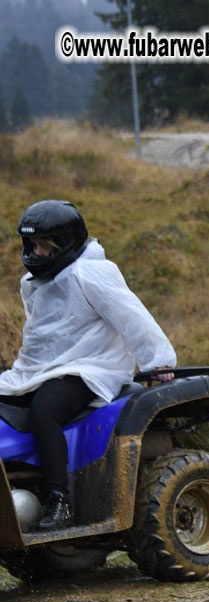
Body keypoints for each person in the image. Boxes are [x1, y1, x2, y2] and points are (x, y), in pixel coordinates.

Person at [1, 200, 176, 530]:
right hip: (43, 368)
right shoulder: (36, 280)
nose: (35, 252)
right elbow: (44, 333)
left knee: (44, 411)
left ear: (63, 244)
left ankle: (59, 502)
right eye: (31, 244)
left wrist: (159, 361)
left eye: (42, 245)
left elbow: (131, 315)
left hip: (90, 366)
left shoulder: (92, 272)